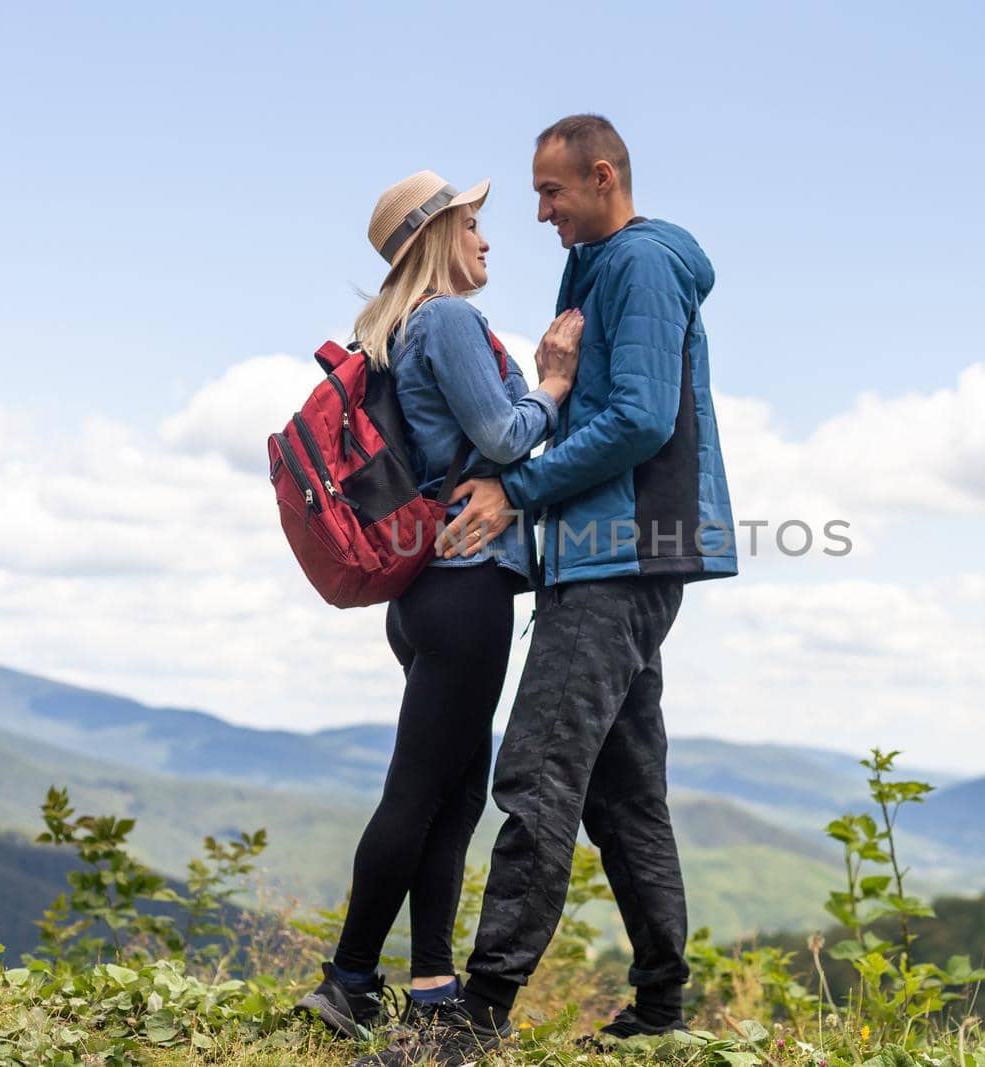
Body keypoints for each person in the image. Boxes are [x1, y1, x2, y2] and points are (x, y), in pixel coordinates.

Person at [369, 115, 738, 1067]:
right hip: (605, 556)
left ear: (602, 175)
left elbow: (640, 418)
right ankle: (662, 1009)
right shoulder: (595, 267)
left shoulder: (641, 265)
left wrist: (516, 489)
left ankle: (476, 1016)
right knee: (622, 794)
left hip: (622, 556)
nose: (539, 214)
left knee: (536, 776)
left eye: (552, 193)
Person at [294, 169, 583, 1038]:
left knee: (454, 795)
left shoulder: (403, 329)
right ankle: (347, 980)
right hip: (464, 585)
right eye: (473, 225)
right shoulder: (450, 319)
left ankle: (427, 983)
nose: (488, 239)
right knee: (420, 791)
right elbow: (500, 437)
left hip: (428, 590)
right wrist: (553, 384)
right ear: (438, 239)